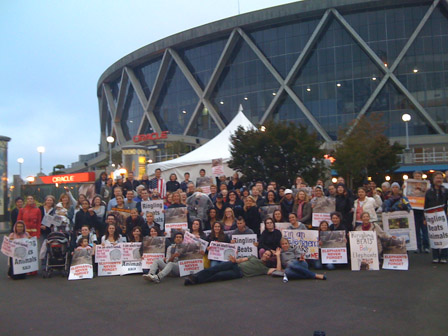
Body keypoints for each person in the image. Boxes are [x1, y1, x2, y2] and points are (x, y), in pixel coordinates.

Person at [184, 249, 281, 285]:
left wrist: (277, 256)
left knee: (218, 275)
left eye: (268, 255)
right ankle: (195, 276)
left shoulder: (265, 269)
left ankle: (196, 282)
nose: (266, 255)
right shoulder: (253, 257)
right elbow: (241, 260)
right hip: (235, 265)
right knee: (215, 268)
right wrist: (235, 260)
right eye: (265, 254)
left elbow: (279, 270)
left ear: (270, 258)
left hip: (239, 273)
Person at [424, 171, 448, 263]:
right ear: (433, 180)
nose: (439, 180)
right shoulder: (429, 192)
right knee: (434, 235)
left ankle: (444, 256)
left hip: (443, 216)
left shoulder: (445, 191)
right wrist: (424, 218)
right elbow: (425, 205)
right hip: (432, 217)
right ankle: (435, 255)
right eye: (437, 178)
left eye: (441, 178)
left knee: (445, 236)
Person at [410, 171, 430, 254]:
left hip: (423, 211)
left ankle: (426, 247)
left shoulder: (426, 186)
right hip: (414, 211)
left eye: (418, 176)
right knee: (416, 230)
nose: (417, 177)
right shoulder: (410, 186)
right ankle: (418, 246)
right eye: (416, 176)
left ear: (421, 177)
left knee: (424, 230)